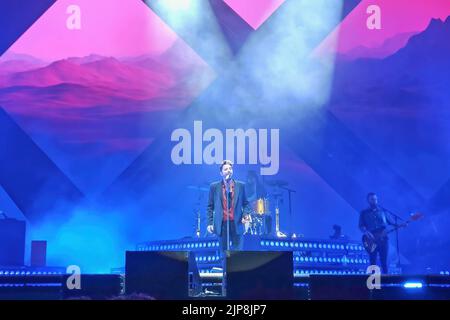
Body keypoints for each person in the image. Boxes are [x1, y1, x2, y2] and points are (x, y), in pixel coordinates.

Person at [207, 160, 252, 251]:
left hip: (237, 224)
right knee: (223, 253)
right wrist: (210, 223)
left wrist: (245, 215)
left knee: (237, 253)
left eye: (230, 169)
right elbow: (210, 207)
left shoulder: (240, 185)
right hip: (221, 225)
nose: (228, 170)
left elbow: (246, 204)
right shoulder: (214, 187)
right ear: (221, 173)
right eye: (226, 169)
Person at [359, 192, 397, 274]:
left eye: (375, 199)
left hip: (383, 239)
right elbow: (361, 225)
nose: (374, 201)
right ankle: (373, 283)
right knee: (373, 260)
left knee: (384, 261)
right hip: (371, 239)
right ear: (368, 201)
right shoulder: (364, 212)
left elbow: (392, 222)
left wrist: (401, 224)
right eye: (372, 199)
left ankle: (386, 282)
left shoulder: (383, 211)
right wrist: (366, 232)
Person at [245, 170, 273, 235]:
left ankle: (267, 234)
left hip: (259, 209)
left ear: (255, 178)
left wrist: (266, 210)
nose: (251, 179)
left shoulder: (260, 188)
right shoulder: (245, 187)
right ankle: (247, 232)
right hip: (248, 210)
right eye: (249, 178)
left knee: (268, 217)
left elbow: (265, 199)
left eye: (252, 177)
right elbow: (245, 200)